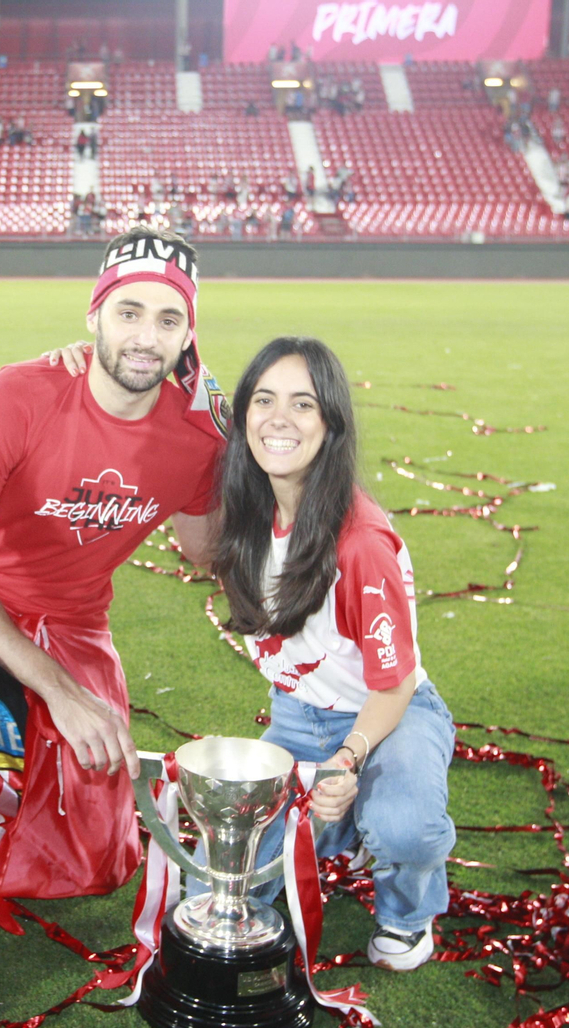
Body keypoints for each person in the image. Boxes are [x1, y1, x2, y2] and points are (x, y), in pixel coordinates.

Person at [0, 226, 230, 1028]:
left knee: (93, 864)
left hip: (74, 623)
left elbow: (203, 552)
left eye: (168, 319)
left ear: (189, 334)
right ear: (94, 313)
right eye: (129, 311)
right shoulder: (18, 395)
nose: (145, 336)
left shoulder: (198, 430)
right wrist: (58, 691)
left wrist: (236, 443)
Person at [204, 336, 455, 973]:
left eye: (302, 404)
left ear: (331, 423)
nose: (278, 419)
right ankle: (341, 825)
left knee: (404, 828)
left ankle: (407, 913)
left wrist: (346, 759)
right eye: (264, 400)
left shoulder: (360, 542)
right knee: (224, 882)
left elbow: (394, 685)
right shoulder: (247, 513)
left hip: (388, 713)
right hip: (298, 713)